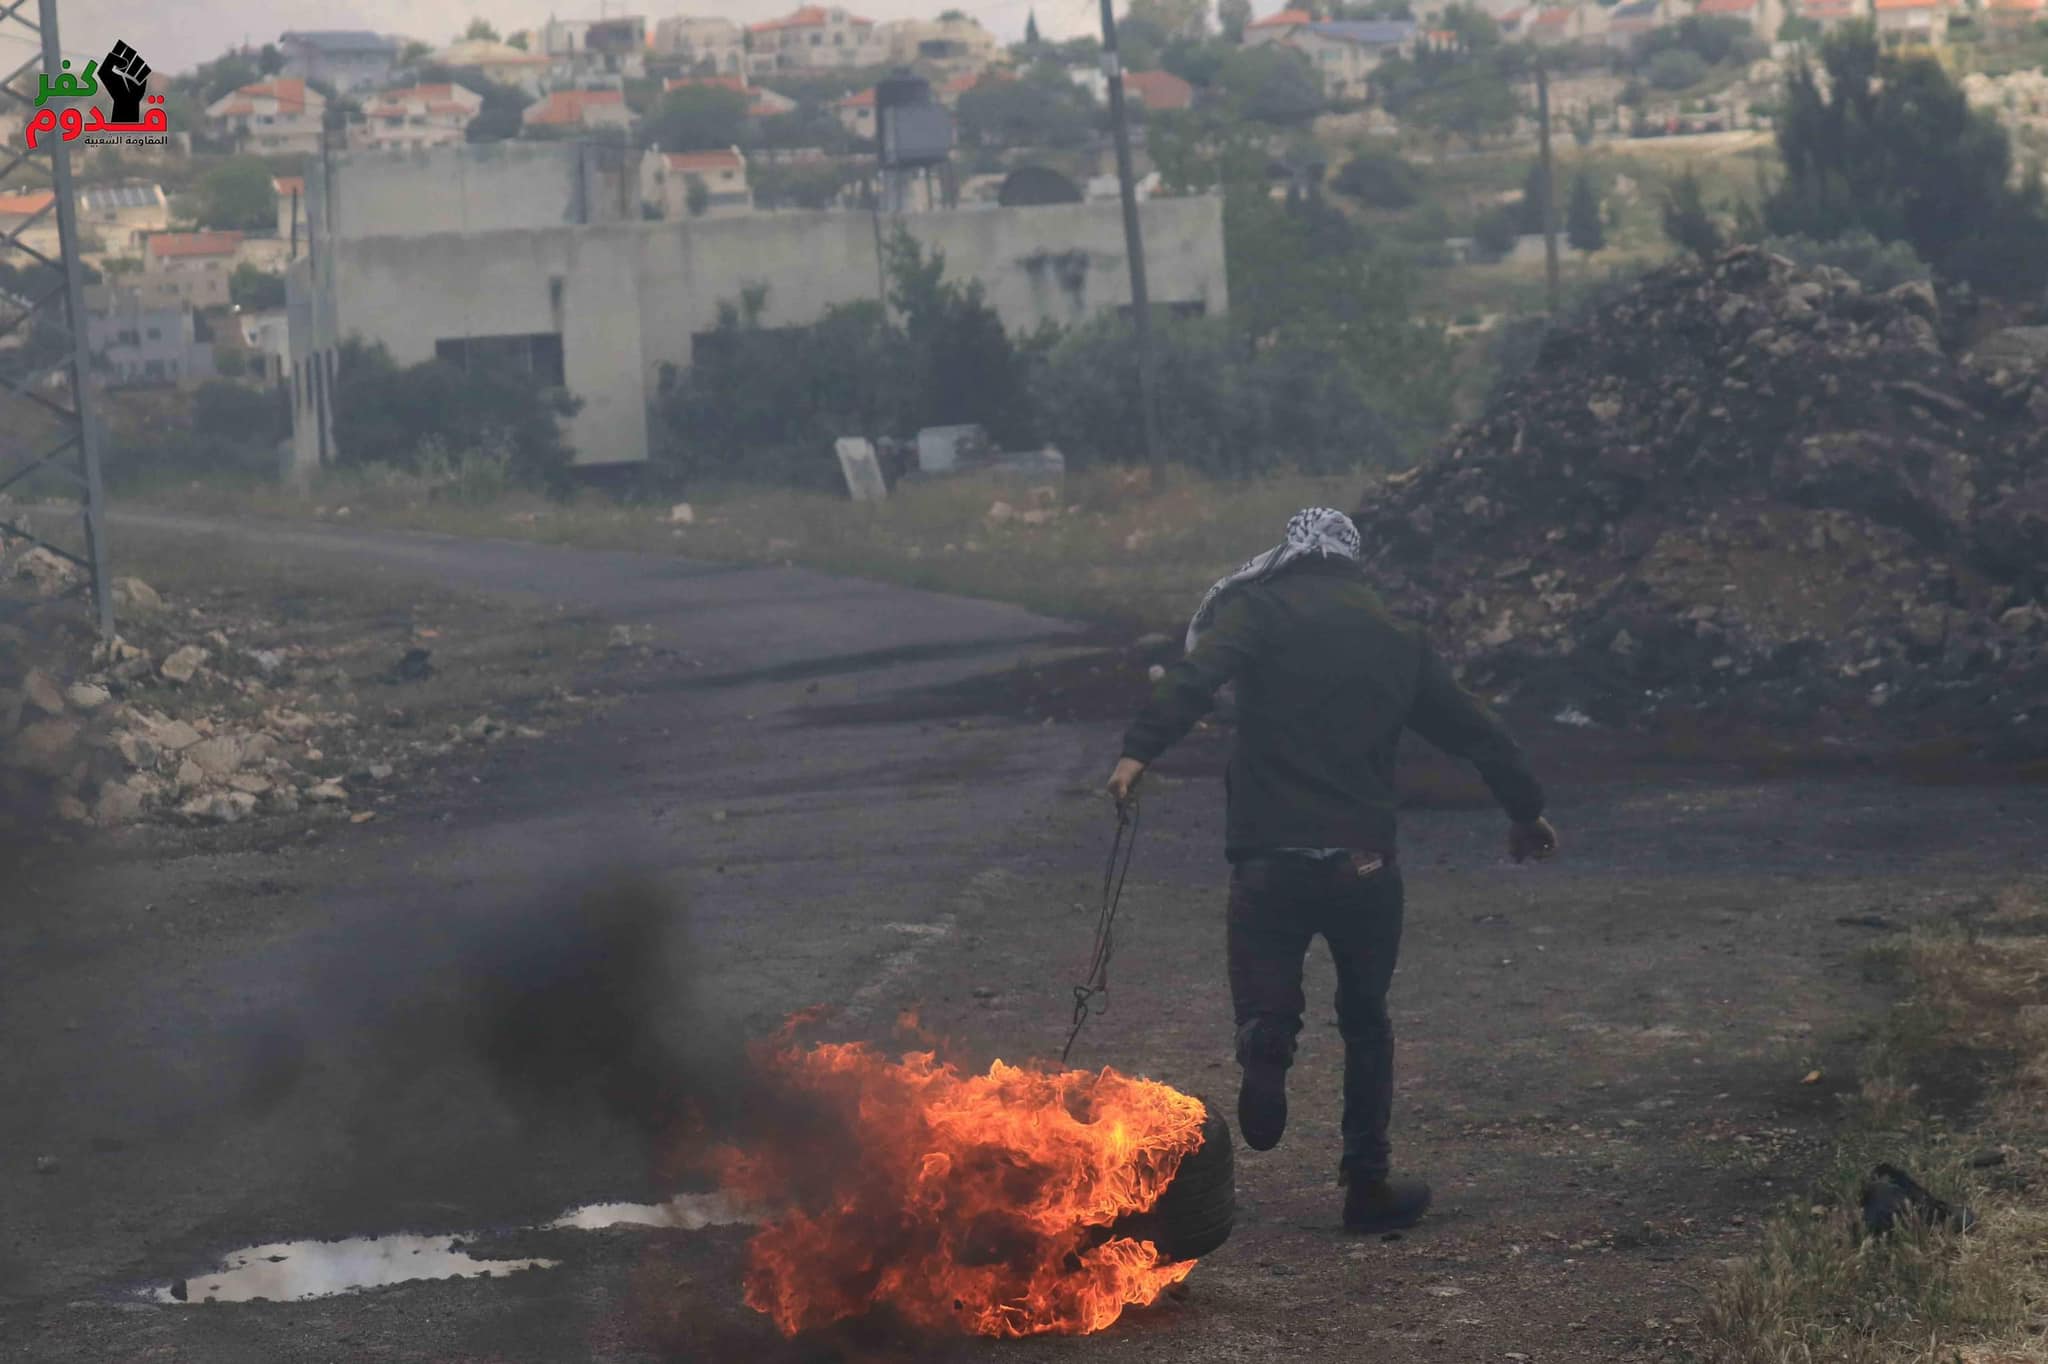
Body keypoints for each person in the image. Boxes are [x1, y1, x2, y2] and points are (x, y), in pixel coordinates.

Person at [1106, 507, 1558, 1234]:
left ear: (1290, 555)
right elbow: (1476, 730)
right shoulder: (1395, 636)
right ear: (1353, 563)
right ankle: (1366, 1185)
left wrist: (1138, 752)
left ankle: (1266, 1039)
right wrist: (1524, 810)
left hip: (1268, 856)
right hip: (1364, 861)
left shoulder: (1258, 610)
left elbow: (1197, 676)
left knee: (1266, 991)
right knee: (1366, 1021)